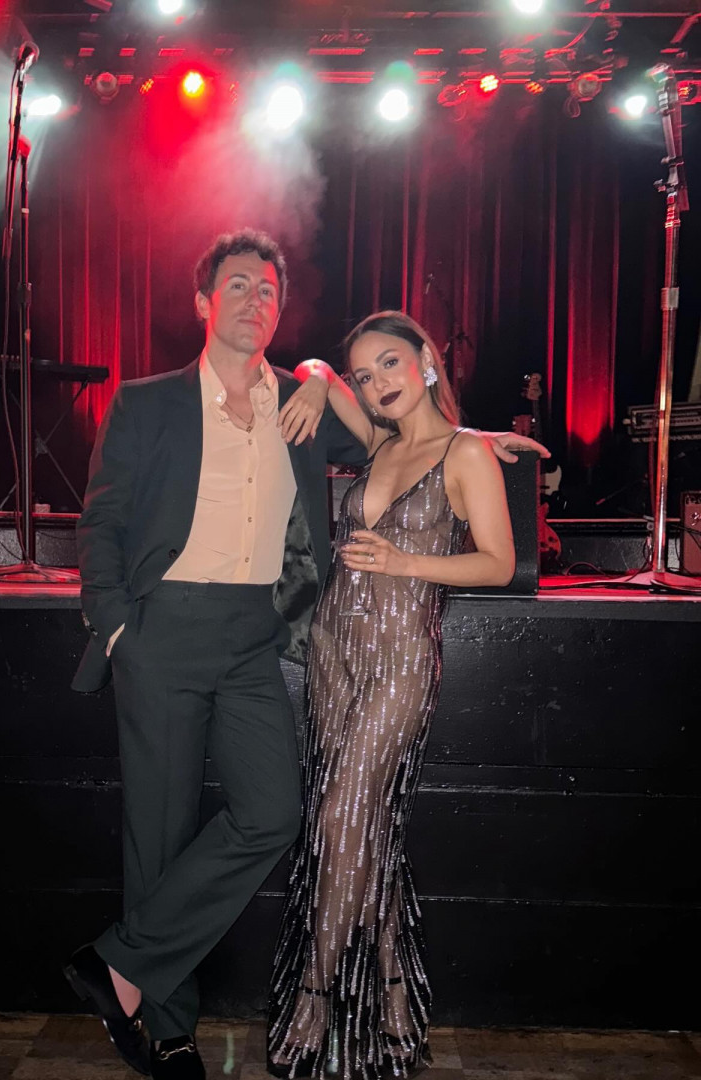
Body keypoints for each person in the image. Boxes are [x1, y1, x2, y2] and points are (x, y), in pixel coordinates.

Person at [69, 230, 544, 1080]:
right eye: (237, 285)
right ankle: (167, 1027)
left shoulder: (304, 403)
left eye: (268, 290)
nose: (254, 300)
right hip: (162, 633)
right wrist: (115, 628)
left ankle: (120, 966)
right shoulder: (146, 403)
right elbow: (99, 522)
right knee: (159, 834)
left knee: (273, 816)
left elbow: (406, 433)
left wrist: (477, 437)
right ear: (202, 301)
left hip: (257, 641)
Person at [267, 312, 516, 1080]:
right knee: (366, 832)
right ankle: (397, 994)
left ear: (426, 362)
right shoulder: (379, 441)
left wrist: (408, 563)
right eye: (366, 374)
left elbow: (499, 563)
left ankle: (315, 994)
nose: (376, 383)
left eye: (390, 363)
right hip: (333, 650)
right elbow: (316, 368)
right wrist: (318, 379)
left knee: (341, 819)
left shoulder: (467, 452)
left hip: (401, 661)